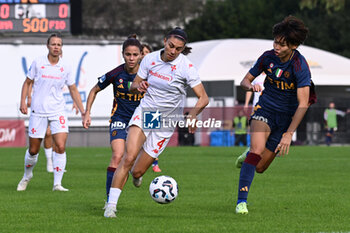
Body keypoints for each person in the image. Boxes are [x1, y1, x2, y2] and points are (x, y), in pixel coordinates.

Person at [104, 27, 209, 218]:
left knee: (137, 172)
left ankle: (138, 175)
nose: (173, 51)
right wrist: (139, 86)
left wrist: (193, 114)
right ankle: (111, 206)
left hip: (166, 121)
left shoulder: (186, 67)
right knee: (127, 157)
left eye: (178, 49)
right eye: (171, 46)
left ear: (182, 49)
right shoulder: (150, 59)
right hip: (147, 111)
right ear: (164, 41)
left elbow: (203, 98)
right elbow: (135, 85)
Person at [235, 16, 316, 214]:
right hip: (265, 110)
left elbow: (303, 103)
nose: (276, 47)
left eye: (282, 44)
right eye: (275, 42)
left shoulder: (300, 66)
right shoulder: (267, 57)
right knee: (257, 150)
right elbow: (244, 81)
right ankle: (241, 202)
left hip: (285, 119)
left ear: (294, 46)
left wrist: (288, 134)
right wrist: (250, 85)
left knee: (260, 167)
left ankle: (248, 155)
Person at [17, 33, 85, 192]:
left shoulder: (65, 66)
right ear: (47, 46)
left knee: (60, 146)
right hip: (38, 110)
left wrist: (83, 111)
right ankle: (27, 176)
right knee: (33, 150)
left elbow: (73, 88)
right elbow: (27, 82)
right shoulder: (38, 63)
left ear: (61, 48)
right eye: (53, 44)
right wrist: (23, 102)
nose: (56, 47)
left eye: (59, 44)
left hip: (58, 110)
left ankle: (57, 184)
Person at [83, 35, 144, 207]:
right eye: (128, 54)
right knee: (118, 156)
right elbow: (94, 90)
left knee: (134, 162)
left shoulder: (147, 75)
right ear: (123, 55)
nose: (131, 58)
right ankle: (110, 200)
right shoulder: (116, 74)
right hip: (120, 118)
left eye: (134, 55)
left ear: (140, 55)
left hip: (141, 119)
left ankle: (137, 174)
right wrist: (87, 113)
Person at [140, 43, 162, 172]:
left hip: (152, 109)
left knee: (152, 136)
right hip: (137, 108)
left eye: (146, 52)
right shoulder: (138, 72)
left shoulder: (155, 71)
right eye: (142, 53)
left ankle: (154, 164)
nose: (144, 55)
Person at [235, 74, 265, 167]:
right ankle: (250, 152)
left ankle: (253, 152)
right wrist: (246, 103)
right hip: (257, 106)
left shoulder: (272, 74)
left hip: (268, 106)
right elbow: (249, 89)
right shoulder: (257, 76)